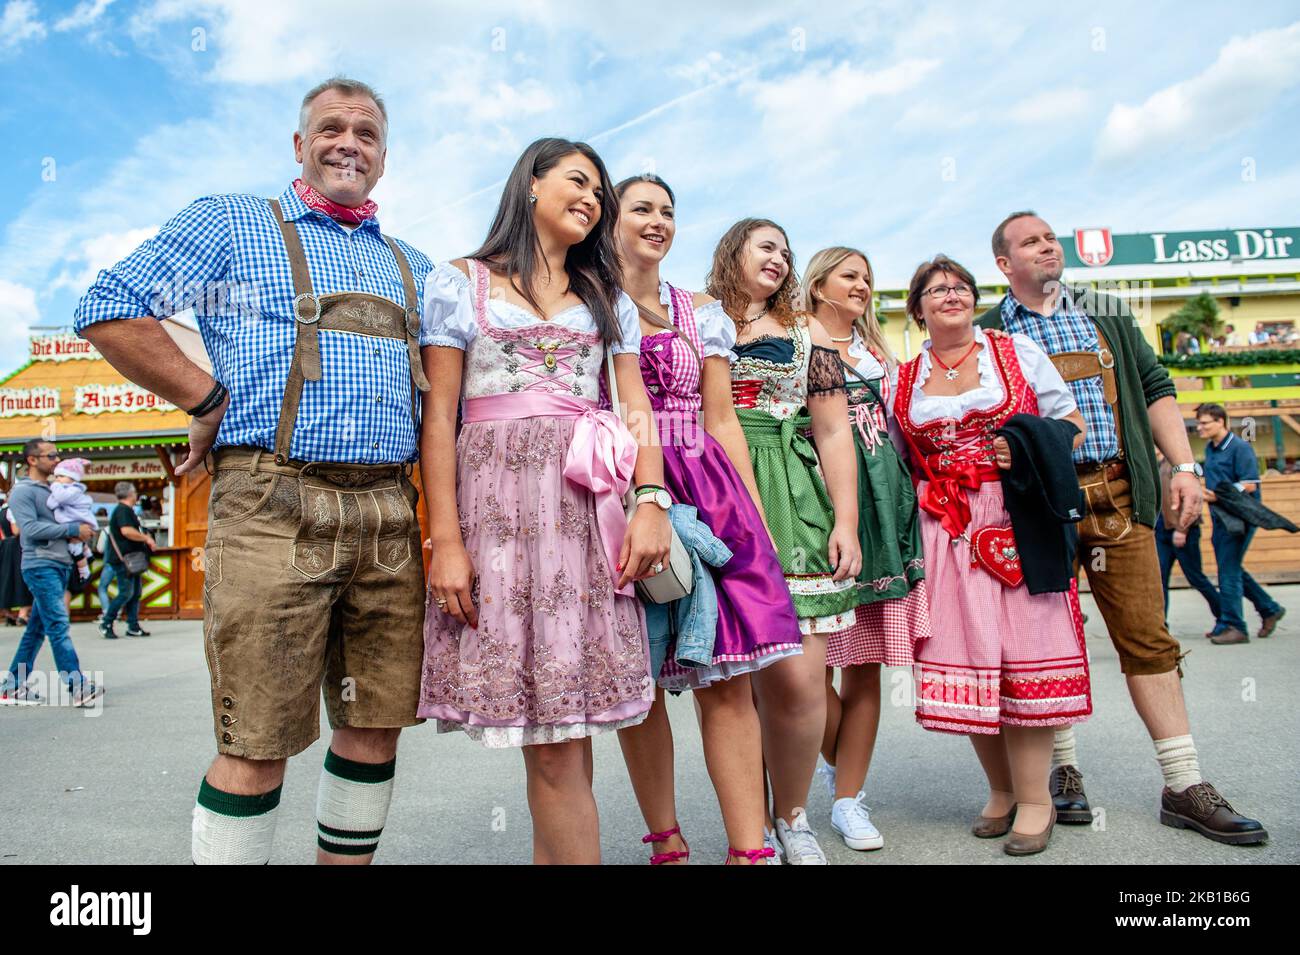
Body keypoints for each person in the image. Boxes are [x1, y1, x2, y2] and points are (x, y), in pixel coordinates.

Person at [76, 76, 431, 864]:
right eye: (331, 127)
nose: (350, 142)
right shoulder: (233, 222)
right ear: (299, 145)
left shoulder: (415, 264)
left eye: (367, 132)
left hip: (391, 512)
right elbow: (110, 304)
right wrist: (206, 395)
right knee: (257, 733)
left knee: (373, 725)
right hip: (272, 499)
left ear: (384, 156)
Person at [418, 138, 671, 865]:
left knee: (565, 738)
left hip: (584, 514)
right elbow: (441, 419)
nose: (593, 200)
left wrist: (650, 498)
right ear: (530, 184)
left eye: (601, 193)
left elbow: (635, 405)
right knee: (552, 742)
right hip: (494, 518)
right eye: (578, 181)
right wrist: (448, 540)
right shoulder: (459, 282)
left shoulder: (605, 294)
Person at [980, 211, 1267, 845]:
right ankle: (1062, 773)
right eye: (1031, 241)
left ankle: (1184, 783)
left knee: (1146, 635)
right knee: (1042, 641)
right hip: (1035, 506)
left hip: (1115, 492)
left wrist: (1185, 467)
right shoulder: (988, 331)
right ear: (1005, 264)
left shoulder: (1107, 312)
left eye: (1051, 237)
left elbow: (1155, 385)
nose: (1048, 246)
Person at [612, 174, 799, 866]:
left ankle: (749, 847)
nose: (658, 220)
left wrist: (753, 517)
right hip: (623, 486)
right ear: (612, 220)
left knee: (725, 677)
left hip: (707, 483)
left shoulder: (700, 312)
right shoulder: (589, 304)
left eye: (667, 211)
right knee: (639, 682)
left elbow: (721, 417)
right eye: (642, 209)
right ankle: (664, 837)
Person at [893, 255, 1090, 855]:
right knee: (969, 659)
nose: (951, 295)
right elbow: (900, 460)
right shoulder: (900, 378)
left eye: (960, 287)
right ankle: (1001, 790)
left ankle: (1036, 799)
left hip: (1014, 521)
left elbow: (1071, 426)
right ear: (919, 306)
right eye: (937, 289)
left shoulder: (1017, 352)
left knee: (1025, 654)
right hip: (944, 530)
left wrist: (1021, 451)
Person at [709, 218, 863, 864]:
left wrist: (846, 520)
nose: (779, 257)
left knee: (800, 682)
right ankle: (751, 828)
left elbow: (831, 430)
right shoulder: (697, 319)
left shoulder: (808, 332)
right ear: (733, 251)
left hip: (794, 496)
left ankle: (792, 812)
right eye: (765, 245)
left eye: (785, 250)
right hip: (717, 490)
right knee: (734, 688)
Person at [803, 246, 931, 851]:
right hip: (815, 500)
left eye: (868, 278)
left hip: (885, 509)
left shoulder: (882, 355)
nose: (862, 286)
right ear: (819, 282)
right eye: (850, 275)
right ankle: (823, 760)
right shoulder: (795, 338)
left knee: (864, 663)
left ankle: (849, 797)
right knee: (805, 670)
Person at [0, 440, 100, 707]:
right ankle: (78, 686)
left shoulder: (55, 489)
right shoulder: (22, 492)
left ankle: (12, 686)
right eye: (51, 455)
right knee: (57, 625)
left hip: (59, 562)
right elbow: (29, 530)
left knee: (37, 629)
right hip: (40, 564)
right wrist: (73, 530)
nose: (57, 460)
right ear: (32, 460)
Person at [1196, 403, 1286, 644]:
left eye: (1205, 423)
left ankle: (1235, 626)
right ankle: (1268, 608)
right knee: (1232, 567)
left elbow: (1249, 484)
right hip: (1221, 517)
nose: (1200, 428)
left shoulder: (1240, 448)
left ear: (1220, 421)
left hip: (1239, 518)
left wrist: (1217, 496)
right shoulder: (1211, 448)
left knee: (1228, 571)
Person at [1154, 452, 1220, 630]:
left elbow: (1188, 498)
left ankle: (1225, 616)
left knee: (1195, 577)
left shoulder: (1176, 463)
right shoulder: (1157, 464)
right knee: (1159, 580)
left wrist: (1182, 529)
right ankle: (1160, 624)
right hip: (1162, 530)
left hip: (1183, 529)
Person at [98, 481, 157, 640]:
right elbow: (127, 531)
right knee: (126, 592)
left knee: (135, 592)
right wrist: (147, 538)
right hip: (124, 559)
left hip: (130, 559)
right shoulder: (123, 510)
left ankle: (133, 625)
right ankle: (107, 622)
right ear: (131, 494)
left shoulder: (124, 510)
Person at [46, 458, 97, 585]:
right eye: (56, 476)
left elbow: (57, 500)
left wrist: (55, 486)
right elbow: (51, 503)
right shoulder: (66, 491)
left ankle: (85, 572)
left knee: (74, 549)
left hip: (76, 522)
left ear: (73, 477)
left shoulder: (74, 489)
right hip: (74, 523)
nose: (57, 479)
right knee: (79, 544)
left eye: (61, 476)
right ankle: (88, 554)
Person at [0, 494, 33, 627]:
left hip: (5, 546)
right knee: (21, 579)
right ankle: (22, 614)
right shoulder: (14, 509)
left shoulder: (3, 510)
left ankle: (7, 612)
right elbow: (16, 531)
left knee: (7, 579)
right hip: (17, 546)